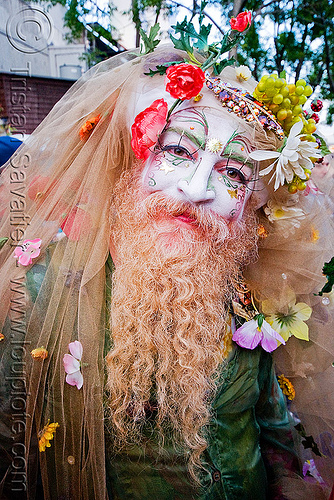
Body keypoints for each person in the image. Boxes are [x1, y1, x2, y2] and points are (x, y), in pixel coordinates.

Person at [0, 12, 333, 500]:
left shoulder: (248, 301)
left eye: (233, 175)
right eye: (178, 152)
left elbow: (274, 432)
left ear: (250, 209)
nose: (197, 190)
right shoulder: (40, 292)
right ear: (136, 160)